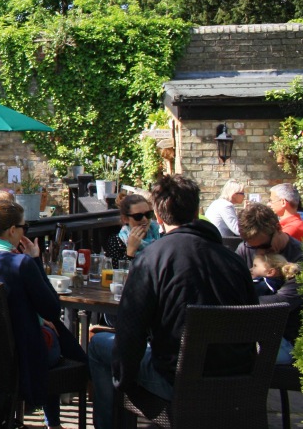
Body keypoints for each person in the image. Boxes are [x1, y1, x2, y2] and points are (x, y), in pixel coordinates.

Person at [89, 175, 256, 429]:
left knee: (100, 345)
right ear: (198, 211)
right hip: (238, 377)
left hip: (178, 379)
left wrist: (124, 380)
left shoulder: (152, 259)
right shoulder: (233, 260)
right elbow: (254, 318)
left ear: (158, 216)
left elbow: (130, 330)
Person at [0, 200, 86, 429]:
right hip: (24, 358)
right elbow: (52, 309)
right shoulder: (22, 264)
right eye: (24, 228)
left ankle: (54, 418)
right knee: (57, 335)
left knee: (51, 331)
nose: (25, 232)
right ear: (12, 231)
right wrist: (36, 260)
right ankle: (68, 404)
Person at [236, 201, 303, 365]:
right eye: (253, 247)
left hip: (286, 339)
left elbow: (284, 302)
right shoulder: (245, 250)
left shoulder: (299, 257)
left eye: (265, 246)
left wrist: (241, 302)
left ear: (279, 228)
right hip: (252, 331)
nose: (259, 252)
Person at [102, 193, 162, 266]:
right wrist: (130, 251)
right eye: (138, 216)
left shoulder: (160, 237)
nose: (145, 219)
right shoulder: (117, 242)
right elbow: (116, 273)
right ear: (125, 219)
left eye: (148, 214)